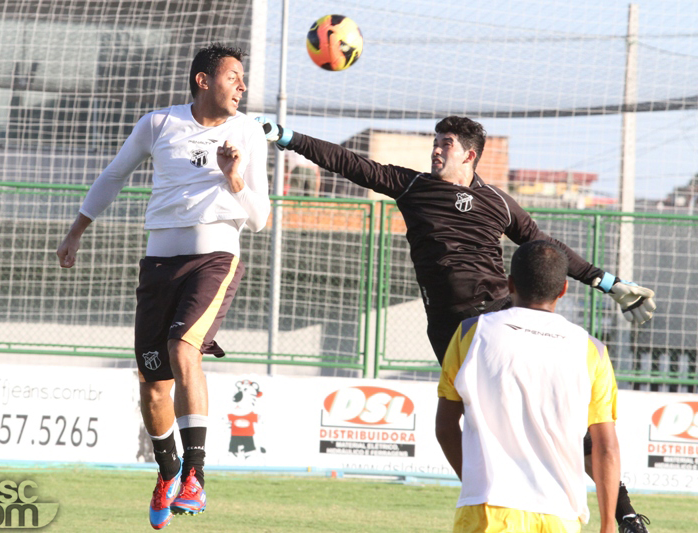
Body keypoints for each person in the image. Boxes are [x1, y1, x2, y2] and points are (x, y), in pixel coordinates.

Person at [258, 116, 652, 532]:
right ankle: (491, 490)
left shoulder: (497, 201)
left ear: (469, 154)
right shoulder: (413, 186)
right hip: (455, 328)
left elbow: (544, 246)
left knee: (566, 419)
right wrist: (289, 137)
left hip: (502, 319)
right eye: (435, 141)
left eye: (445, 143)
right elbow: (350, 163)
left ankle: (623, 513)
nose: (435, 149)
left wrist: (609, 283)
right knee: (475, 419)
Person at [57, 44, 270, 529]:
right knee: (153, 385)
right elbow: (114, 175)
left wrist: (234, 178)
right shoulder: (158, 123)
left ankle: (195, 474)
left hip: (215, 258)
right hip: (158, 264)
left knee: (183, 348)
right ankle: (169, 470)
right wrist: (75, 231)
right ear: (203, 80)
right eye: (233, 76)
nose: (242, 86)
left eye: (243, 78)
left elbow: (261, 219)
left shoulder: (249, 132)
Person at [436, 240, 622, 533]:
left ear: (509, 284)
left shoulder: (471, 333)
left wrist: (475, 481)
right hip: (561, 514)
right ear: (563, 289)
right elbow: (606, 447)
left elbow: (445, 427)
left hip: (487, 511)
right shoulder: (592, 349)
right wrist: (609, 523)